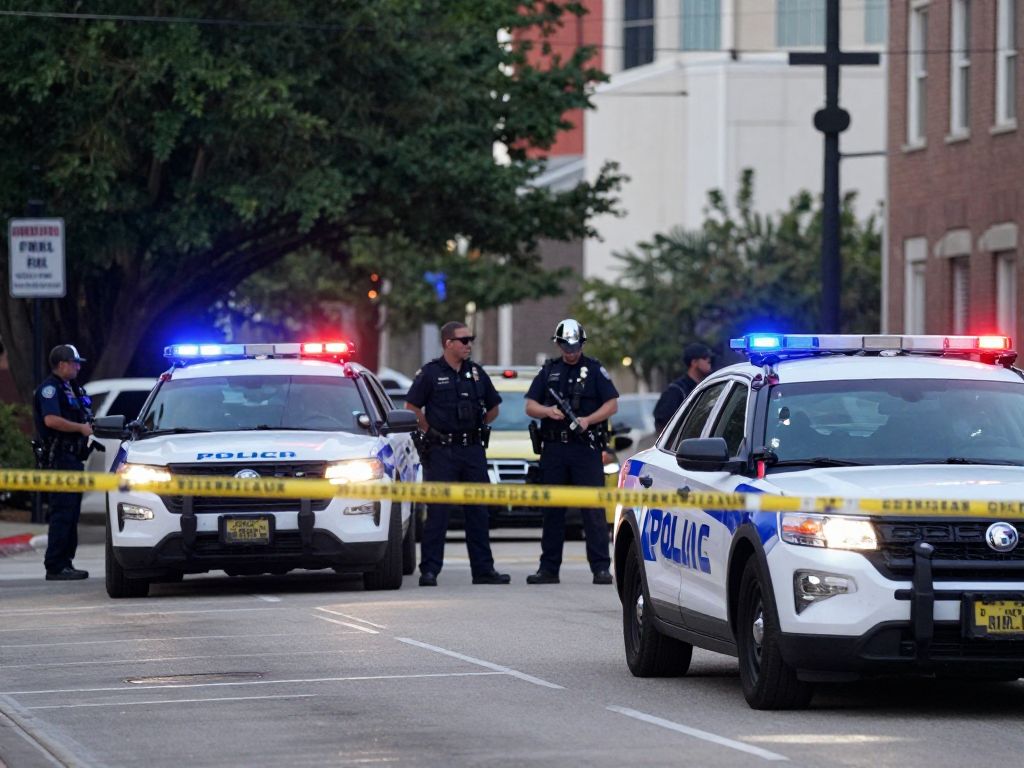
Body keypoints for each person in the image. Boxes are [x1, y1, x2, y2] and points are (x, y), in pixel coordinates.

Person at [404, 322, 511, 587]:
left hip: (472, 450)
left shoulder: (476, 373)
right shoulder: (430, 373)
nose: (468, 344)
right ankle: (430, 570)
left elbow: (494, 407)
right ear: (448, 343)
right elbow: (412, 407)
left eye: (470, 339)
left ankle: (483, 570)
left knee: (478, 512)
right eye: (463, 340)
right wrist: (430, 431)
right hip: (441, 451)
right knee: (438, 512)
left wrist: (477, 426)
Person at [524, 319, 619, 585]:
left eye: (575, 346)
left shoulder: (594, 369)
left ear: (582, 344)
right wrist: (548, 411)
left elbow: (612, 405)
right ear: (558, 344)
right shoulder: (549, 371)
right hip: (554, 449)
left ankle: (600, 568)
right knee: (552, 510)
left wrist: (588, 419)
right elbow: (530, 406)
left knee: (593, 510)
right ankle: (548, 569)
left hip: (585, 448)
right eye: (566, 346)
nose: (571, 351)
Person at [33, 344, 94, 581]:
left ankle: (65, 562)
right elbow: (50, 420)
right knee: (62, 512)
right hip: (59, 459)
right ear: (61, 365)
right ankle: (55, 565)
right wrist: (80, 428)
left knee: (71, 512)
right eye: (74, 363)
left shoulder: (71, 388)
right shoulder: (50, 389)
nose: (78, 367)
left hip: (72, 458)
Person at [653, 342, 713, 433]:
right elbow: (662, 423)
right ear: (694, 362)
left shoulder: (709, 387)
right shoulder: (676, 391)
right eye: (705, 357)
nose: (709, 360)